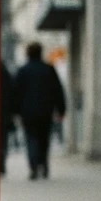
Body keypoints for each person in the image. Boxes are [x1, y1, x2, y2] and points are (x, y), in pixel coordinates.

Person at [13, 42, 66, 180]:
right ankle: (44, 164)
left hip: (27, 113)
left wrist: (15, 111)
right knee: (44, 139)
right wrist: (61, 109)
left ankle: (33, 167)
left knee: (31, 139)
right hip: (45, 111)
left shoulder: (23, 71)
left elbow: (16, 93)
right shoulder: (48, 69)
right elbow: (57, 90)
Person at [0, 61, 15, 175]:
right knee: (2, 141)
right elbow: (13, 93)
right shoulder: (6, 74)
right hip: (4, 113)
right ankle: (1, 163)